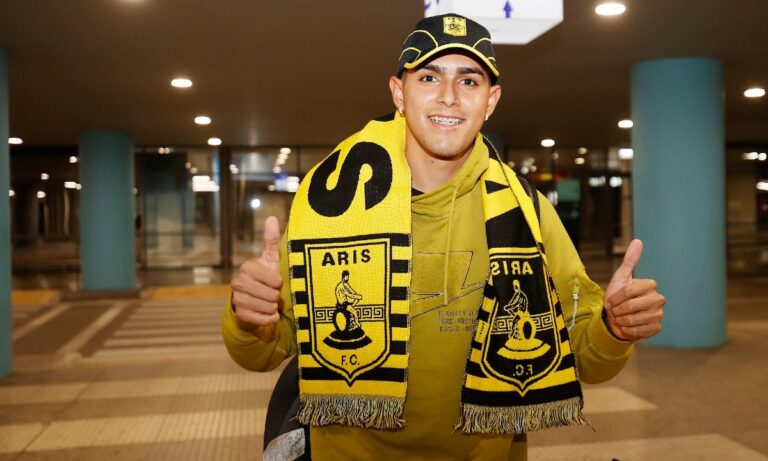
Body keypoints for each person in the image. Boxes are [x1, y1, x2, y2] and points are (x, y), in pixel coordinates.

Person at [222, 13, 665, 461]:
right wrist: (248, 317)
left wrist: (613, 328)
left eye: (468, 81)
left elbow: (584, 356)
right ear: (399, 93)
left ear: (491, 100)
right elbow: (262, 353)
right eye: (429, 77)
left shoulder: (527, 212)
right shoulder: (329, 202)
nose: (449, 97)